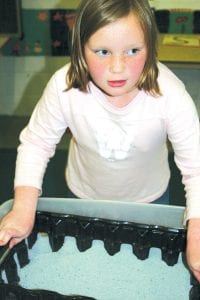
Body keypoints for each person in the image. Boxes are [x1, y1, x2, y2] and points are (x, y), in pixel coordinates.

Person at [0, 0, 200, 281]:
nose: (117, 68)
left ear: (151, 47)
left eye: (133, 51)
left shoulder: (171, 95)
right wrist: (22, 208)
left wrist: (197, 234)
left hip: (150, 200)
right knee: (87, 270)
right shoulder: (63, 87)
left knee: (140, 274)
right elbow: (37, 143)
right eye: (103, 51)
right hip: (83, 196)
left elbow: (196, 168)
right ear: (81, 48)